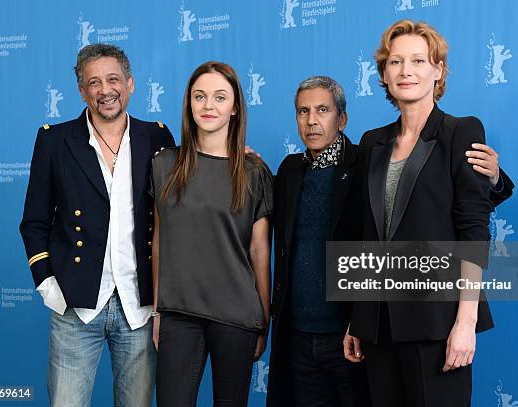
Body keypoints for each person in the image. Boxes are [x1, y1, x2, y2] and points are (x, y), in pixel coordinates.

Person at [345, 19, 511, 406]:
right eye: (396, 61)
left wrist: (465, 322)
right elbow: (367, 235)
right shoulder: (372, 142)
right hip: (378, 325)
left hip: (438, 322)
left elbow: (473, 229)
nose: (406, 71)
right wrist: (358, 317)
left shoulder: (461, 131)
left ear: (437, 71)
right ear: (383, 74)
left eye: (419, 60)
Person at [19, 44, 175, 407]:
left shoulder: (159, 138)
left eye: (113, 79)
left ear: (131, 83)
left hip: (140, 306)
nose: (105, 90)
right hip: (76, 305)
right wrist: (48, 286)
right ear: (81, 90)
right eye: (94, 82)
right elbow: (34, 221)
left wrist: (239, 157)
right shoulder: (54, 141)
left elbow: (187, 196)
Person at [151, 61, 273, 406]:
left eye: (220, 97)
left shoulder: (254, 172)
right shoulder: (163, 165)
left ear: (235, 108)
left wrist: (263, 321)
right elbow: (160, 241)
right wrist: (158, 311)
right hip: (179, 314)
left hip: (237, 317)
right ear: (189, 103)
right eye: (199, 96)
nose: (208, 106)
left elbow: (260, 251)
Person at [267, 76, 369, 407]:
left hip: (350, 335)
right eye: (303, 111)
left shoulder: (365, 165)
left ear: (342, 118)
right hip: (298, 334)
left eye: (322, 110)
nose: (311, 120)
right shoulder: (290, 170)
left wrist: (493, 179)